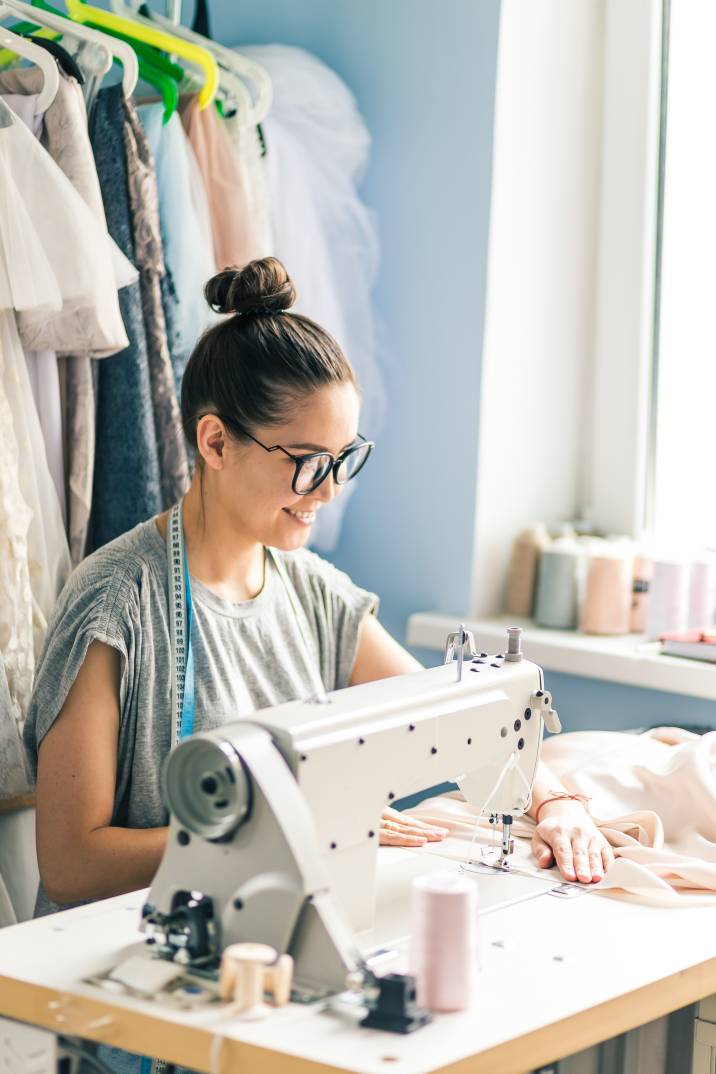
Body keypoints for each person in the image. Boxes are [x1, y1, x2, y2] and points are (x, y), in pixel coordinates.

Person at [24, 257, 614, 925]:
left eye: (343, 461)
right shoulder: (117, 603)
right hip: (115, 953)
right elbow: (72, 865)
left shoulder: (316, 596)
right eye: (308, 463)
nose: (330, 492)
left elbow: (466, 726)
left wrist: (555, 801)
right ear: (216, 442)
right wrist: (295, 828)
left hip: (259, 930)